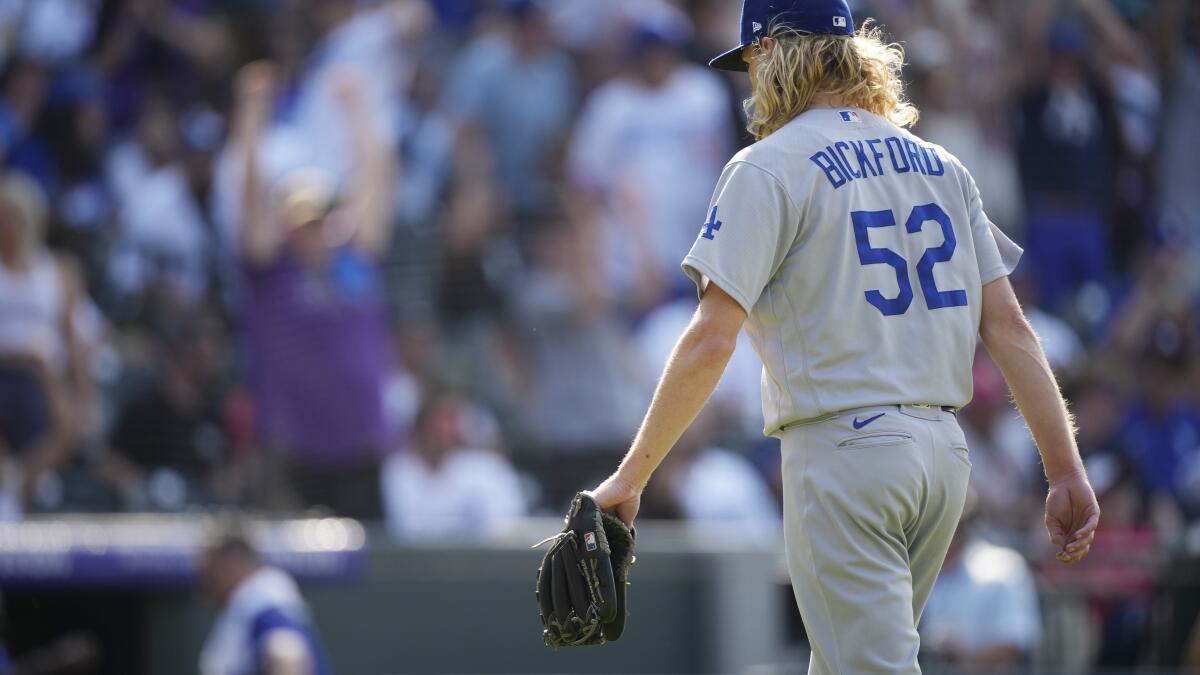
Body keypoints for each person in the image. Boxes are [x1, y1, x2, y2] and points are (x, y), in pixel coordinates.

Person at [588, 1, 1101, 673]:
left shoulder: (767, 166)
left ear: (773, 52)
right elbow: (1008, 328)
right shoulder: (941, 165)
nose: (750, 83)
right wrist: (1065, 468)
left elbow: (711, 340)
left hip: (846, 455)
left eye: (751, 63)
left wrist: (631, 476)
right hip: (943, 461)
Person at [231, 60, 395, 518]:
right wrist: (251, 115)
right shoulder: (269, 272)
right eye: (303, 220)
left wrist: (357, 111)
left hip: (362, 449)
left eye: (321, 217)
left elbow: (375, 180)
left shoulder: (355, 264)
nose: (315, 229)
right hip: (293, 454)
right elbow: (247, 196)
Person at [198, 534, 332, 675]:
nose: (205, 582)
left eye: (210, 571)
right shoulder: (246, 599)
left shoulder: (259, 596)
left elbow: (287, 653)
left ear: (232, 563)